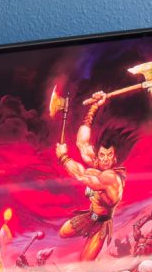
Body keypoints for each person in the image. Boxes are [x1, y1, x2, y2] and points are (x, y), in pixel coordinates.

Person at [55, 91, 128, 261]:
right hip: (90, 216)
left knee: (84, 262)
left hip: (101, 223)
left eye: (109, 155)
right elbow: (82, 143)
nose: (105, 159)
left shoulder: (110, 178)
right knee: (63, 233)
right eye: (102, 155)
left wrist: (63, 157)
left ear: (115, 158)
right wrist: (94, 107)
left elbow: (81, 176)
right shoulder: (98, 163)